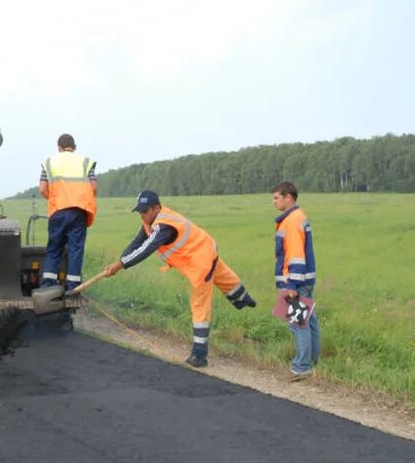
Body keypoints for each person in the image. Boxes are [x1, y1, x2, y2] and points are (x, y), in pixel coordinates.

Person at [102, 190, 257, 368]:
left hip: (200, 261)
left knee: (199, 304)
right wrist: (119, 261)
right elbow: (136, 243)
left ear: (156, 208)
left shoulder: (164, 226)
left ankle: (199, 354)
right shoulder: (151, 221)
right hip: (204, 248)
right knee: (224, 276)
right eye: (139, 211)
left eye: (145, 211)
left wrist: (120, 265)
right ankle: (244, 299)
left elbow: (146, 248)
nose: (142, 215)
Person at [272, 181, 320, 382]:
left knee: (298, 323)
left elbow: (296, 255)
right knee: (310, 322)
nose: (273, 201)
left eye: (276, 197)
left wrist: (291, 285)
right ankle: (313, 360)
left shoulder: (292, 221)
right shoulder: (296, 218)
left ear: (288, 197)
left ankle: (301, 367)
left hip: (296, 282)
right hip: (304, 280)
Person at [38, 133, 98, 292]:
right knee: (75, 249)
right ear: (74, 147)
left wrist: (56, 199)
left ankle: (48, 286)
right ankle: (73, 287)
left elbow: (43, 189)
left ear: (59, 148)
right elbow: (94, 187)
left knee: (54, 249)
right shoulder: (85, 162)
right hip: (79, 211)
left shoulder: (50, 162)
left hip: (58, 211)